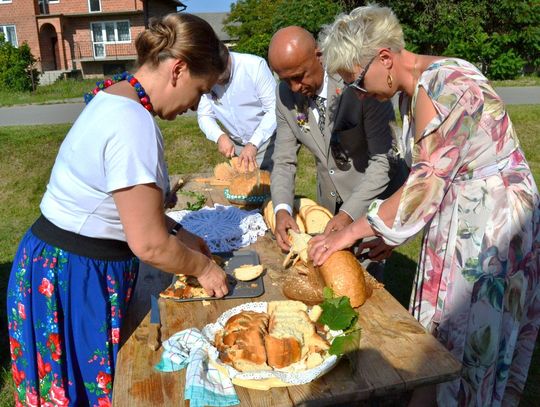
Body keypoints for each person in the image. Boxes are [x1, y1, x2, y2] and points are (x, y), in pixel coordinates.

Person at [309, 5, 540, 406]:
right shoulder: (415, 92)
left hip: (491, 222)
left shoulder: (443, 85)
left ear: (384, 59)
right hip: (469, 208)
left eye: (356, 82)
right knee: (446, 337)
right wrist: (391, 237)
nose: (358, 94)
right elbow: (439, 178)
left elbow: (426, 184)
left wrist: (350, 230)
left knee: (466, 334)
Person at [6, 13, 229, 406]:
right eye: (200, 89)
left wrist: (180, 233)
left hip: (57, 264)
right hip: (73, 277)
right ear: (178, 70)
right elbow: (148, 245)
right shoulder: (133, 124)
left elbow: (123, 204)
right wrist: (204, 268)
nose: (195, 105)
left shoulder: (117, 95)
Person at [268, 26, 406, 268]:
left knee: (367, 276)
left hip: (372, 195)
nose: (294, 87)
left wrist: (349, 214)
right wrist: (282, 208)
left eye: (299, 76)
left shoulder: (359, 79)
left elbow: (383, 160)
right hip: (330, 200)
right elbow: (283, 159)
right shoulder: (284, 95)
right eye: (285, 79)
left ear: (319, 56)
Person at [197, 42, 277, 171]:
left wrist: (253, 143)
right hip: (237, 146)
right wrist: (219, 136)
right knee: (242, 188)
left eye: (220, 78)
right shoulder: (206, 74)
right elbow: (204, 115)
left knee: (270, 186)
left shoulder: (255, 66)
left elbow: (274, 109)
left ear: (227, 58)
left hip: (267, 142)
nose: (217, 83)